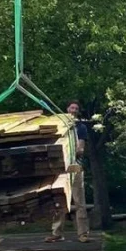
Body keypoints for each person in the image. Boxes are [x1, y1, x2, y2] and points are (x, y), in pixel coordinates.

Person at [47, 99, 91, 243]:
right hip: (60, 169)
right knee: (59, 201)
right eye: (71, 108)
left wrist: (68, 152)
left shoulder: (81, 127)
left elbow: (80, 149)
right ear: (67, 109)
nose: (73, 110)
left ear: (77, 112)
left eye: (76, 108)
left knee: (79, 202)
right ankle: (57, 232)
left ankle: (83, 233)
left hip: (75, 167)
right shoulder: (60, 126)